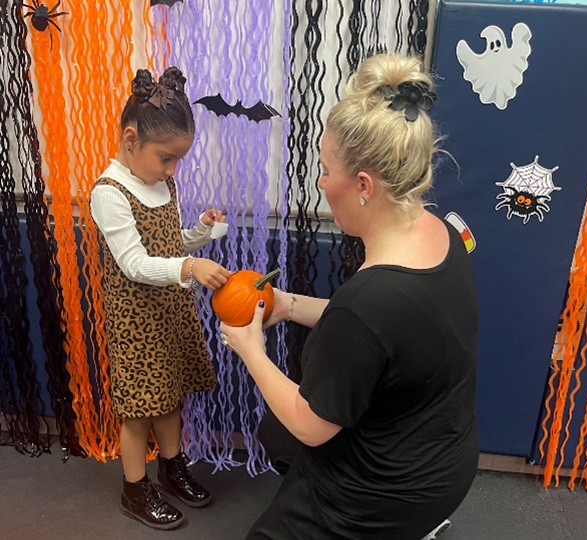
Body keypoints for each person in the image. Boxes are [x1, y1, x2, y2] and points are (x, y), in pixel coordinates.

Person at [219, 52, 479, 539]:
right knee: (274, 435)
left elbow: (311, 424)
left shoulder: (372, 299)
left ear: (363, 185)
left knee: (289, 433)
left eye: (324, 170)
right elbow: (381, 336)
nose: (320, 184)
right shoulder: (440, 234)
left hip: (389, 492)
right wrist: (288, 304)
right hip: (446, 458)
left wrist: (249, 349)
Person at [90, 66, 232, 530]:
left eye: (177, 162)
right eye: (166, 158)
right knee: (138, 410)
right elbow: (134, 263)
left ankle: (171, 468)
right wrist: (188, 268)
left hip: (170, 310)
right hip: (135, 320)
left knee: (168, 397)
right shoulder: (109, 193)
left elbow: (171, 245)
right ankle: (135, 487)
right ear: (130, 139)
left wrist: (201, 232)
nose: (172, 171)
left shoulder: (159, 183)